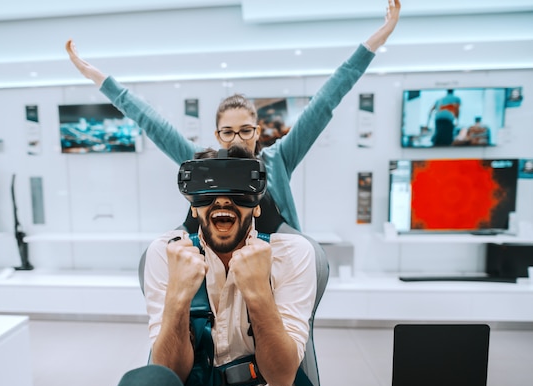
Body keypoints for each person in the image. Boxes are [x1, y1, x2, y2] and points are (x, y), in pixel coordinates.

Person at [65, 0, 401, 233]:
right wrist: (98, 78)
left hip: (279, 272)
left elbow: (326, 100)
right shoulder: (202, 163)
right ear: (217, 135)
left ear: (257, 131)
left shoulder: (279, 159)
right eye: (228, 132)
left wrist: (374, 43)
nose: (237, 139)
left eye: (244, 130)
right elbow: (150, 121)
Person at [108, 146, 318, 386]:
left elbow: (281, 377)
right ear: (193, 208)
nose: (221, 201)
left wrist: (258, 293)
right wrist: (179, 297)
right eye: (209, 190)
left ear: (255, 206)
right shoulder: (166, 254)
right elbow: (167, 374)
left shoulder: (291, 254)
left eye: (236, 190)